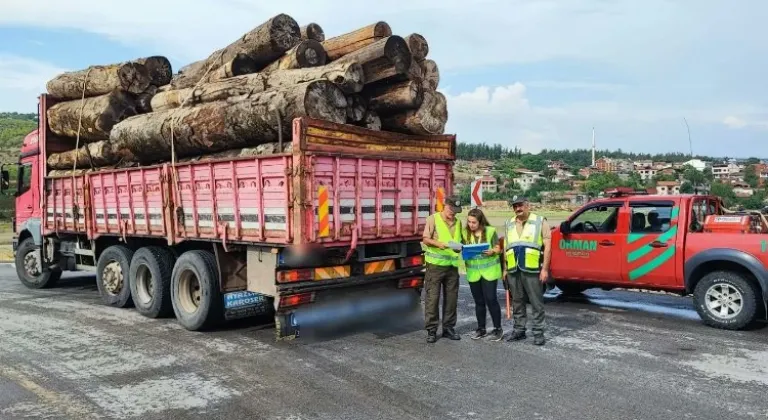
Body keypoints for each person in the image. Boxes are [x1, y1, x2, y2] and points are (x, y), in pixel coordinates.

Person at [503, 196, 552, 346]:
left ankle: (538, 333)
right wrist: (505, 269)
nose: (518, 208)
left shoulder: (539, 221)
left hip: (532, 269)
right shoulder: (509, 223)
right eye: (515, 206)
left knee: (536, 302)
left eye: (520, 205)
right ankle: (519, 330)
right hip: (513, 269)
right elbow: (506, 247)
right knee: (517, 301)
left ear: (527, 205)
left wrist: (544, 269)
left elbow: (548, 247)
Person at [421, 195, 464, 343]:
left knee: (451, 299)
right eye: (451, 209)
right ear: (445, 205)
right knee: (432, 299)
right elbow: (425, 239)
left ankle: (448, 328)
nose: (453, 213)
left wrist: (460, 248)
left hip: (452, 267)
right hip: (435, 266)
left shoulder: (458, 223)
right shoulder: (433, 219)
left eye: (456, 210)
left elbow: (459, 242)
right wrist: (438, 244)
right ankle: (432, 330)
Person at [463, 208, 504, 341]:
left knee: (491, 299)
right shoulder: (465, 233)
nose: (471, 225)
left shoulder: (490, 231)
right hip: (473, 273)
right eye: (469, 222)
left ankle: (498, 329)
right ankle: (481, 329)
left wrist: (492, 251)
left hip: (489, 272)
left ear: (480, 222)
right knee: (479, 302)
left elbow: (498, 248)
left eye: (474, 222)